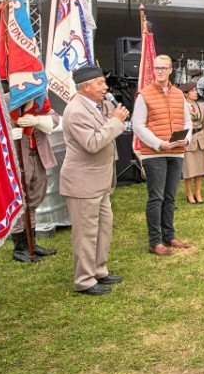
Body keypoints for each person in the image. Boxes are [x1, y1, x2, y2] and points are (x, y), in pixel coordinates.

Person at [59, 65, 129, 296]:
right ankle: (84, 280)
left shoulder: (96, 107)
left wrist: (112, 119)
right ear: (85, 86)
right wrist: (116, 122)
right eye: (100, 83)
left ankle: (99, 270)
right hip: (83, 183)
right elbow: (92, 143)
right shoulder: (76, 111)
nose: (105, 87)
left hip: (100, 181)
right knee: (86, 234)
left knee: (103, 229)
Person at [133, 54, 193, 255]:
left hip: (177, 152)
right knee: (156, 197)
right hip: (154, 153)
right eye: (156, 68)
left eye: (163, 68)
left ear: (170, 70)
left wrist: (187, 138)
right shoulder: (144, 95)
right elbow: (138, 126)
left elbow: (187, 122)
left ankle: (169, 236)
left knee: (170, 197)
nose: (159, 71)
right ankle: (155, 241)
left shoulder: (178, 94)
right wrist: (159, 144)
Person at [8, 96, 60, 264]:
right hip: (15, 158)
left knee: (34, 199)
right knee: (18, 201)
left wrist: (37, 120)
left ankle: (32, 242)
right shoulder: (5, 100)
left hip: (37, 156)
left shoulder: (38, 100)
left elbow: (55, 119)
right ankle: (20, 246)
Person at [180, 81, 204, 205]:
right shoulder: (180, 107)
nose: (196, 93)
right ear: (186, 94)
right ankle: (189, 194)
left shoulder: (201, 105)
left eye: (195, 90)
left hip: (200, 140)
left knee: (200, 169)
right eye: (193, 91)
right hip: (188, 140)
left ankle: (198, 193)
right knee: (189, 170)